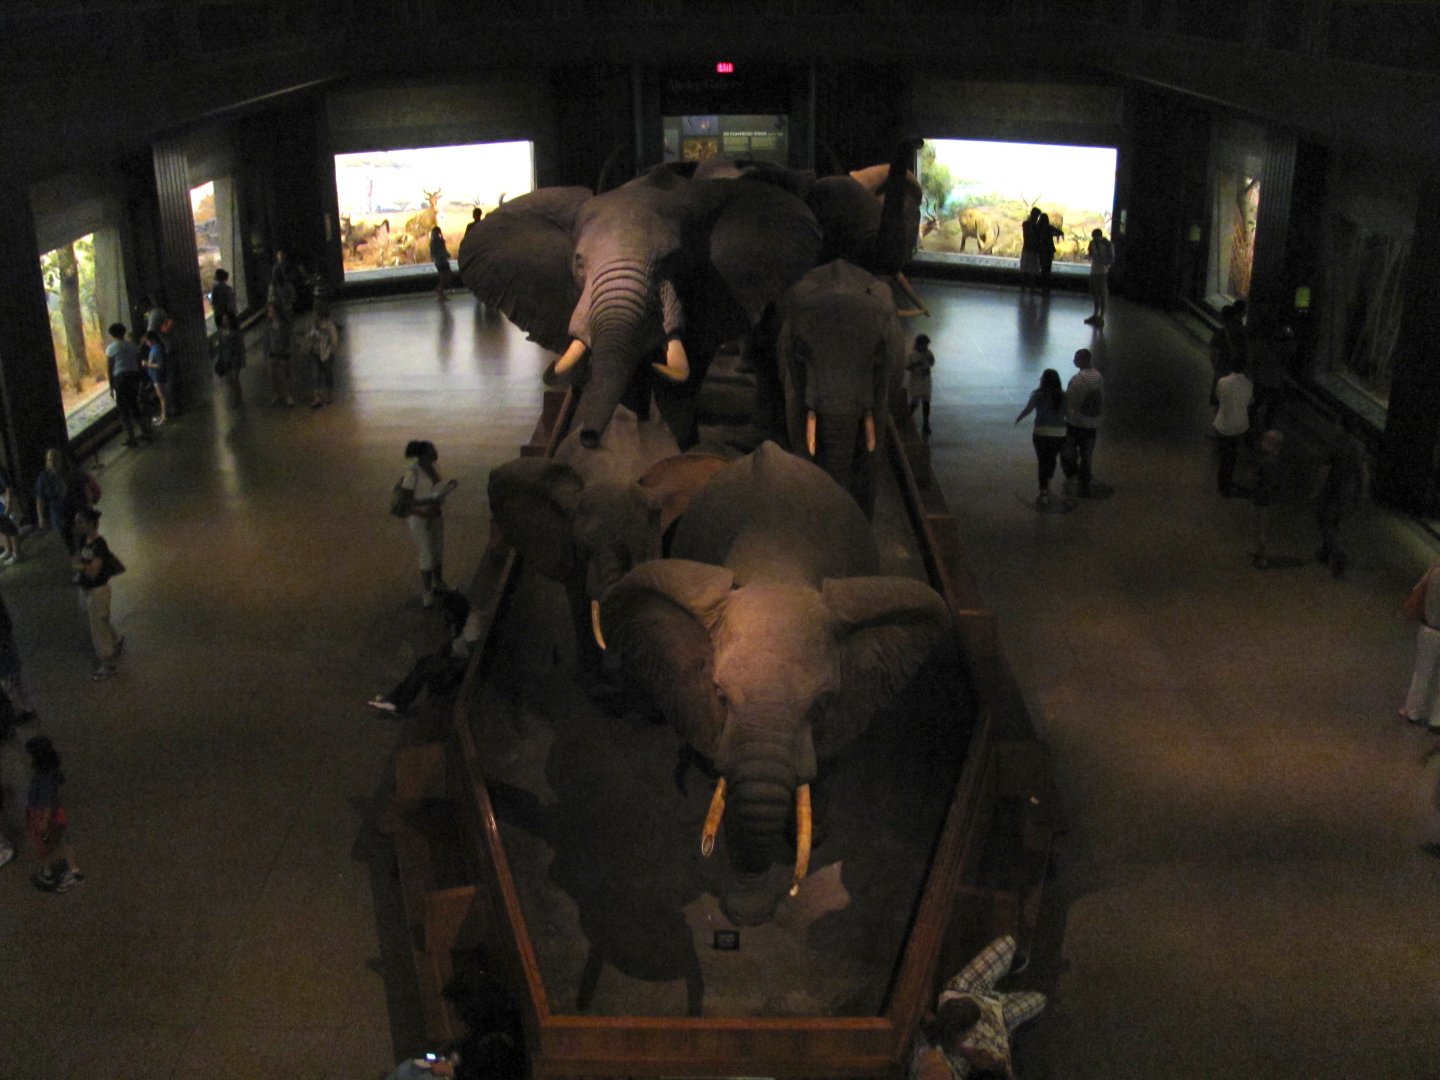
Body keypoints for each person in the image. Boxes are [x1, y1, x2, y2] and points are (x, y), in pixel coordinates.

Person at [910, 935, 1046, 1080]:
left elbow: (932, 1028)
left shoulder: (937, 1066)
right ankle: (1009, 966)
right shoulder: (994, 1066)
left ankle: (1008, 965)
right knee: (1040, 1000)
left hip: (966, 991)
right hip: (998, 1023)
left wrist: (960, 1047)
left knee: (1008, 944)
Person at [368, 592, 475, 715]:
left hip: (460, 666)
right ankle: (395, 700)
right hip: (456, 660)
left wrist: (448, 662)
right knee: (424, 662)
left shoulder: (471, 629)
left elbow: (472, 661)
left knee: (425, 667)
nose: (445, 616)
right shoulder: (462, 620)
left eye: (447, 613)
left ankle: (397, 703)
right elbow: (457, 643)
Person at [399, 440, 458, 606]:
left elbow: (437, 490)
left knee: (437, 550)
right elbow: (405, 500)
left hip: (435, 515)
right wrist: (426, 504)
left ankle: (439, 583)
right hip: (420, 518)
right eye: (432, 450)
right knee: (426, 553)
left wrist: (445, 491)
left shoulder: (435, 467)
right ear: (423, 454)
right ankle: (427, 592)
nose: (435, 452)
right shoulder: (412, 473)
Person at [26, 735, 83, 892]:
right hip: (58, 813)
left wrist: (43, 822)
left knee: (44, 846)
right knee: (64, 839)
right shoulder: (53, 771)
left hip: (45, 816)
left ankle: (47, 873)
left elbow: (46, 803)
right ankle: (74, 870)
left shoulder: (43, 779)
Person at [73, 506, 124, 680]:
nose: (77, 524)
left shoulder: (98, 544)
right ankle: (116, 639)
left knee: (98, 630)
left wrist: (78, 565)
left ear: (91, 524)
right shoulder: (85, 541)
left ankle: (108, 664)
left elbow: (93, 571)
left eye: (81, 521)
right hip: (92, 591)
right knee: (102, 620)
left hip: (98, 592)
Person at [1315, 421, 1366, 579]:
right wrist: (1360, 492)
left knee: (1325, 522)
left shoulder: (1335, 443)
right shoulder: (1359, 446)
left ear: (1342, 427)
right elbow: (1362, 471)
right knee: (1335, 520)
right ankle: (1325, 552)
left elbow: (1325, 468)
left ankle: (1338, 555)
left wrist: (1317, 489)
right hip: (1348, 489)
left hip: (1333, 487)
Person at [1014, 368, 1068, 502]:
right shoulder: (1063, 395)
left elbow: (1028, 409)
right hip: (1059, 433)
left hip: (1041, 433)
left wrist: (1019, 418)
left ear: (1043, 380)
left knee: (1042, 461)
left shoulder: (1038, 395)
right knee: (1052, 459)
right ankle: (1048, 484)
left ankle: (1043, 489)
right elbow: (1069, 413)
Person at [1400, 561, 1440, 731]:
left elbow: (1418, 589)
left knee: (1422, 672)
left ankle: (1412, 710)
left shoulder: (1435, 571)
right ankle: (1437, 719)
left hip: (1429, 629)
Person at [1060, 348, 1103, 497]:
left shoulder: (1077, 379)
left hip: (1076, 423)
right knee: (1087, 455)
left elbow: (1069, 400)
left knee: (1068, 452)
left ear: (1084, 360)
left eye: (1076, 358)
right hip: (1092, 423)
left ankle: (1071, 476)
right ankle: (1085, 482)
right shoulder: (1098, 376)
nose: (1074, 361)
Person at [34, 448, 94, 554]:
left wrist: (89, 507)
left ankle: (88, 563)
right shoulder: (43, 478)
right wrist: (40, 517)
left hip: (77, 512)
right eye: (49, 460)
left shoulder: (71, 472)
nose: (52, 462)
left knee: (83, 541)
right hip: (59, 517)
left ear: (61, 460)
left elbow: (85, 488)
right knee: (68, 544)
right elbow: (40, 499)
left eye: (55, 459)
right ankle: (78, 566)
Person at [105, 322, 152, 446]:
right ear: (124, 332)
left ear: (112, 335)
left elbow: (110, 369)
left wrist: (111, 386)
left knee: (123, 409)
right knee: (135, 405)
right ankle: (146, 432)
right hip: (134, 377)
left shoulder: (111, 349)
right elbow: (138, 363)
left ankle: (131, 437)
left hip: (120, 379)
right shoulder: (132, 345)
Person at [1212, 358, 1253, 496]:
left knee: (1224, 455)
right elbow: (1249, 402)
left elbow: (1218, 397)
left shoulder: (1222, 382)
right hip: (1239, 425)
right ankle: (1226, 483)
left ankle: (1222, 483)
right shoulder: (1248, 384)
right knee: (1232, 455)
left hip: (1223, 423)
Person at [0, 589, 37, 731]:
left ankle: (19, 709)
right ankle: (26, 706)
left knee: (7, 677)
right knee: (14, 674)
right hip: (5, 636)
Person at [1250, 429, 1284, 568]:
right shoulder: (1277, 463)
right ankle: (1259, 551)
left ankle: (1261, 556)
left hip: (1261, 497)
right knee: (1264, 527)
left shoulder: (1265, 462)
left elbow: (1255, 477)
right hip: (1270, 499)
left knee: (1260, 527)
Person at [1208, 301, 1248, 406]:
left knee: (1217, 400)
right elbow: (1245, 351)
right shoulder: (1242, 331)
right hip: (1233, 370)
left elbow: (1213, 351)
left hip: (1221, 367)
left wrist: (1215, 365)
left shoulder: (1221, 331)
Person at [305, 302, 340, 408]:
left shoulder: (329, 325)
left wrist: (331, 349)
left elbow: (334, 339)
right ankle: (317, 397)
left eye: (315, 313)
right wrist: (310, 338)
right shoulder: (312, 325)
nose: (314, 315)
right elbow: (308, 335)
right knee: (315, 374)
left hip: (326, 354)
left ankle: (329, 393)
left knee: (327, 374)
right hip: (314, 353)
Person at [264, 302, 294, 406]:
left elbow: (289, 338)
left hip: (283, 352)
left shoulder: (284, 325)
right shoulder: (268, 326)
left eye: (271, 311)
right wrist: (265, 353)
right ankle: (276, 394)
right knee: (272, 374)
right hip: (272, 353)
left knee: (285, 374)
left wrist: (289, 349)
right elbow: (266, 340)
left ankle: (288, 395)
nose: (269, 313)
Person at [906, 334, 936, 437]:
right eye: (924, 344)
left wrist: (930, 360)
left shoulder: (928, 353)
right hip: (916, 382)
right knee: (914, 403)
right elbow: (908, 367)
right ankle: (907, 419)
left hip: (926, 382)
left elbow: (932, 362)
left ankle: (926, 423)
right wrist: (917, 364)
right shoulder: (912, 355)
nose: (925, 347)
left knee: (926, 403)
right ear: (918, 345)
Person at [214, 310, 246, 406]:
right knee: (231, 380)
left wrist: (242, 358)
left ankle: (238, 397)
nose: (225, 321)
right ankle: (237, 395)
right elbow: (220, 346)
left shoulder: (235, 332)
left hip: (235, 358)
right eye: (223, 320)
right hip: (226, 358)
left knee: (235, 378)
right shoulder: (221, 332)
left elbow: (240, 345)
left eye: (226, 319)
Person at [140, 329, 171, 426]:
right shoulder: (155, 348)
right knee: (161, 396)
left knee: (162, 397)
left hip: (158, 376)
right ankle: (163, 415)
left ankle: (164, 417)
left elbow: (160, 365)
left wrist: (147, 364)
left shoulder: (157, 349)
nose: (146, 343)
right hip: (155, 376)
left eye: (147, 341)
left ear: (152, 339)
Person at [1084, 227, 1114, 325]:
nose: (1094, 239)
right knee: (1096, 294)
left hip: (1102, 272)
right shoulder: (1092, 243)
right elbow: (1091, 254)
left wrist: (1104, 262)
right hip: (1094, 271)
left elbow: (1111, 258)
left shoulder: (1107, 244)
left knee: (1102, 294)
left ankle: (1101, 317)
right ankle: (1096, 315)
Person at [1036, 210, 1063, 291]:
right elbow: (1060, 232)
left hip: (1041, 250)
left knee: (1042, 268)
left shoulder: (1038, 228)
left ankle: (1042, 286)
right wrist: (1052, 234)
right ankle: (1047, 286)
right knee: (1048, 268)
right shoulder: (1049, 227)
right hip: (1049, 250)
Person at [430, 225, 453, 300]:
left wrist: (446, 254)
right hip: (440, 261)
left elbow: (443, 249)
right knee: (444, 277)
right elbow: (433, 252)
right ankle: (440, 292)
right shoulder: (433, 242)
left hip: (443, 260)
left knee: (446, 276)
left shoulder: (440, 241)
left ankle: (439, 289)